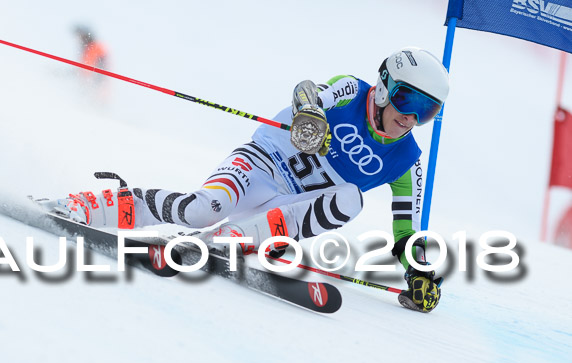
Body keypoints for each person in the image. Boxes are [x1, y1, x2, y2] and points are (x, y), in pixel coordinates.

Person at [51, 47, 448, 312]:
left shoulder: (408, 161)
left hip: (287, 208)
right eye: (406, 100)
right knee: (199, 210)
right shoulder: (352, 91)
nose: (410, 117)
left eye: (425, 111)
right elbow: (309, 91)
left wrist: (419, 273)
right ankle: (88, 207)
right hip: (262, 164)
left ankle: (234, 242)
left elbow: (405, 231)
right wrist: (311, 115)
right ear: (382, 88)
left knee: (350, 199)